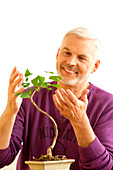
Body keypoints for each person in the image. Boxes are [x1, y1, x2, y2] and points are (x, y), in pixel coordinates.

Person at [0, 27, 113, 170]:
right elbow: (2, 159)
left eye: (82, 58)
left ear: (95, 66)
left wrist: (80, 122)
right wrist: (10, 111)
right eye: (67, 53)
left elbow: (104, 168)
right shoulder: (30, 98)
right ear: (57, 54)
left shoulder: (108, 105)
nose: (71, 62)